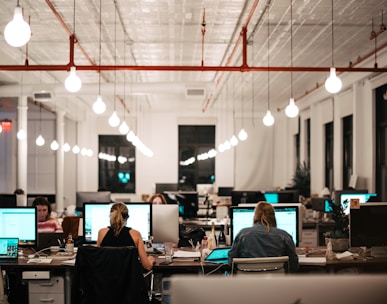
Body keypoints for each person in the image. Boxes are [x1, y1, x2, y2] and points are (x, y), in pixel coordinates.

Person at [228, 201, 299, 273]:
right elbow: (293, 265)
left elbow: (231, 262)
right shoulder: (284, 236)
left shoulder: (242, 235)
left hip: (247, 282)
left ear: (255, 216)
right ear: (273, 217)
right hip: (276, 282)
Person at [97, 202, 155, 271]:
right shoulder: (135, 234)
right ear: (127, 217)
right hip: (129, 280)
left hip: (105, 280)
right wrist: (150, 260)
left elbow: (97, 260)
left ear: (111, 216)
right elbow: (147, 266)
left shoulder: (102, 233)